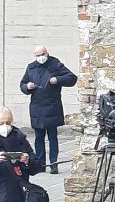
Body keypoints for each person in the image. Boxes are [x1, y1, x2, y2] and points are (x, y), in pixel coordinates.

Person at [19, 45, 77, 174]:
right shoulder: (31, 67)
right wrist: (27, 86)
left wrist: (58, 79)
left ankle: (53, 163)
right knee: (38, 137)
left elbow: (72, 78)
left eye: (42, 54)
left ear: (47, 53)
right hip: (37, 107)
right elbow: (22, 85)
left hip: (52, 106)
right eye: (38, 55)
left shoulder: (55, 64)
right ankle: (40, 164)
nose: (41, 57)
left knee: (52, 136)